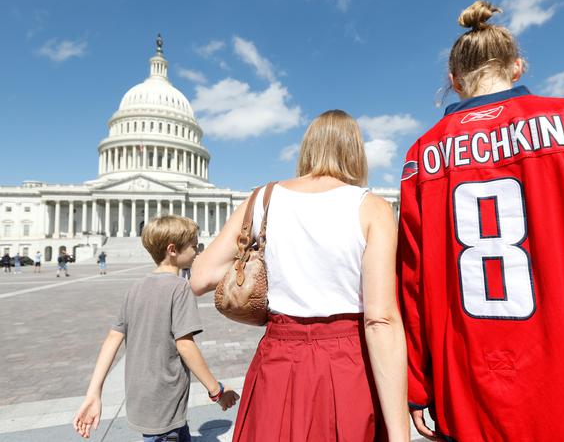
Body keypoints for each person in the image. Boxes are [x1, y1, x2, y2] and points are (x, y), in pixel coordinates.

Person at [397, 1, 564, 442]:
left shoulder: (420, 154)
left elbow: (411, 279)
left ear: (453, 80)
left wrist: (417, 382)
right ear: (517, 66)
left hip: (467, 371)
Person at [190, 110, 410, 442]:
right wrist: (400, 434)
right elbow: (380, 321)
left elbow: (200, 278)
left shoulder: (264, 198)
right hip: (347, 361)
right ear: (355, 151)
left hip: (278, 358)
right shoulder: (372, 208)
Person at [73, 215, 239, 441]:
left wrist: (94, 392)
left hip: (142, 398)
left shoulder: (135, 287)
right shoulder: (180, 288)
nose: (198, 251)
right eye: (193, 246)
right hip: (166, 399)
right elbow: (185, 345)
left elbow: (113, 338)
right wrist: (216, 391)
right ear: (173, 250)